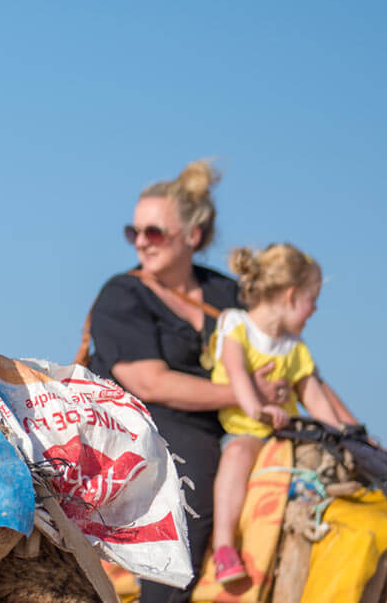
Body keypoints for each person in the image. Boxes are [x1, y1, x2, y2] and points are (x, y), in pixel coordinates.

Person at [85, 160, 289, 603]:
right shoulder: (122, 295)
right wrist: (247, 393)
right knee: (186, 503)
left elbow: (278, 350)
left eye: (153, 232)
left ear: (192, 236)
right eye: (133, 232)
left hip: (227, 420)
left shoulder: (228, 294)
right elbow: (151, 382)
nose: (141, 242)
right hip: (147, 421)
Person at [207, 243, 358, 586]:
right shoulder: (236, 325)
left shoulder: (296, 348)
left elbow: (314, 398)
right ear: (291, 296)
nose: (315, 309)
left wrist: (345, 434)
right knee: (236, 454)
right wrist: (258, 409)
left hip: (284, 435)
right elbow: (237, 374)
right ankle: (224, 546)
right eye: (312, 300)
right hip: (246, 431)